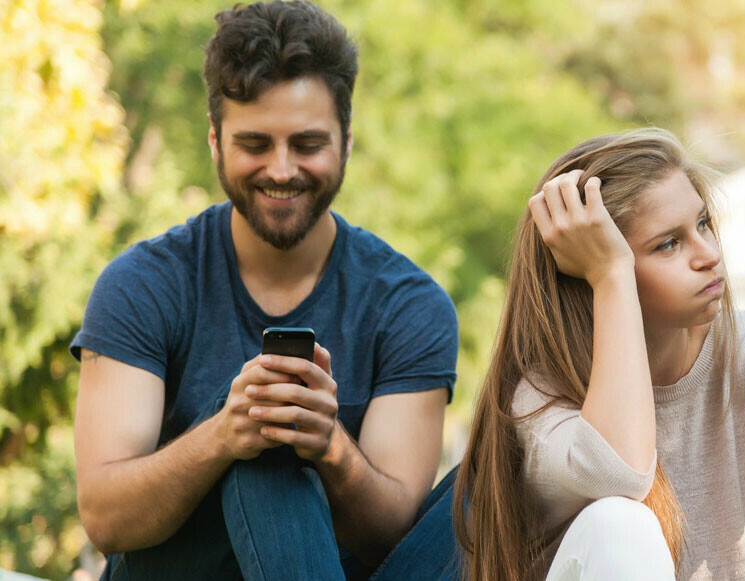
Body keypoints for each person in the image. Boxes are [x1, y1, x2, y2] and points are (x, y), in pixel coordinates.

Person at [70, 2, 460, 579]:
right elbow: (105, 519)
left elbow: (394, 544)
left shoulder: (410, 305)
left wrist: (330, 447)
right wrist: (225, 435)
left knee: (495, 470)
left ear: (346, 142)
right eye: (255, 143)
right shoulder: (143, 284)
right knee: (263, 439)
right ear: (214, 142)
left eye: (307, 144)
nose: (281, 170)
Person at [453, 128, 745, 580]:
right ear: (589, 269)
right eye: (669, 244)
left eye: (703, 223)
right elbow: (621, 471)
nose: (709, 254)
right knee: (621, 523)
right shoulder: (542, 396)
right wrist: (611, 275)